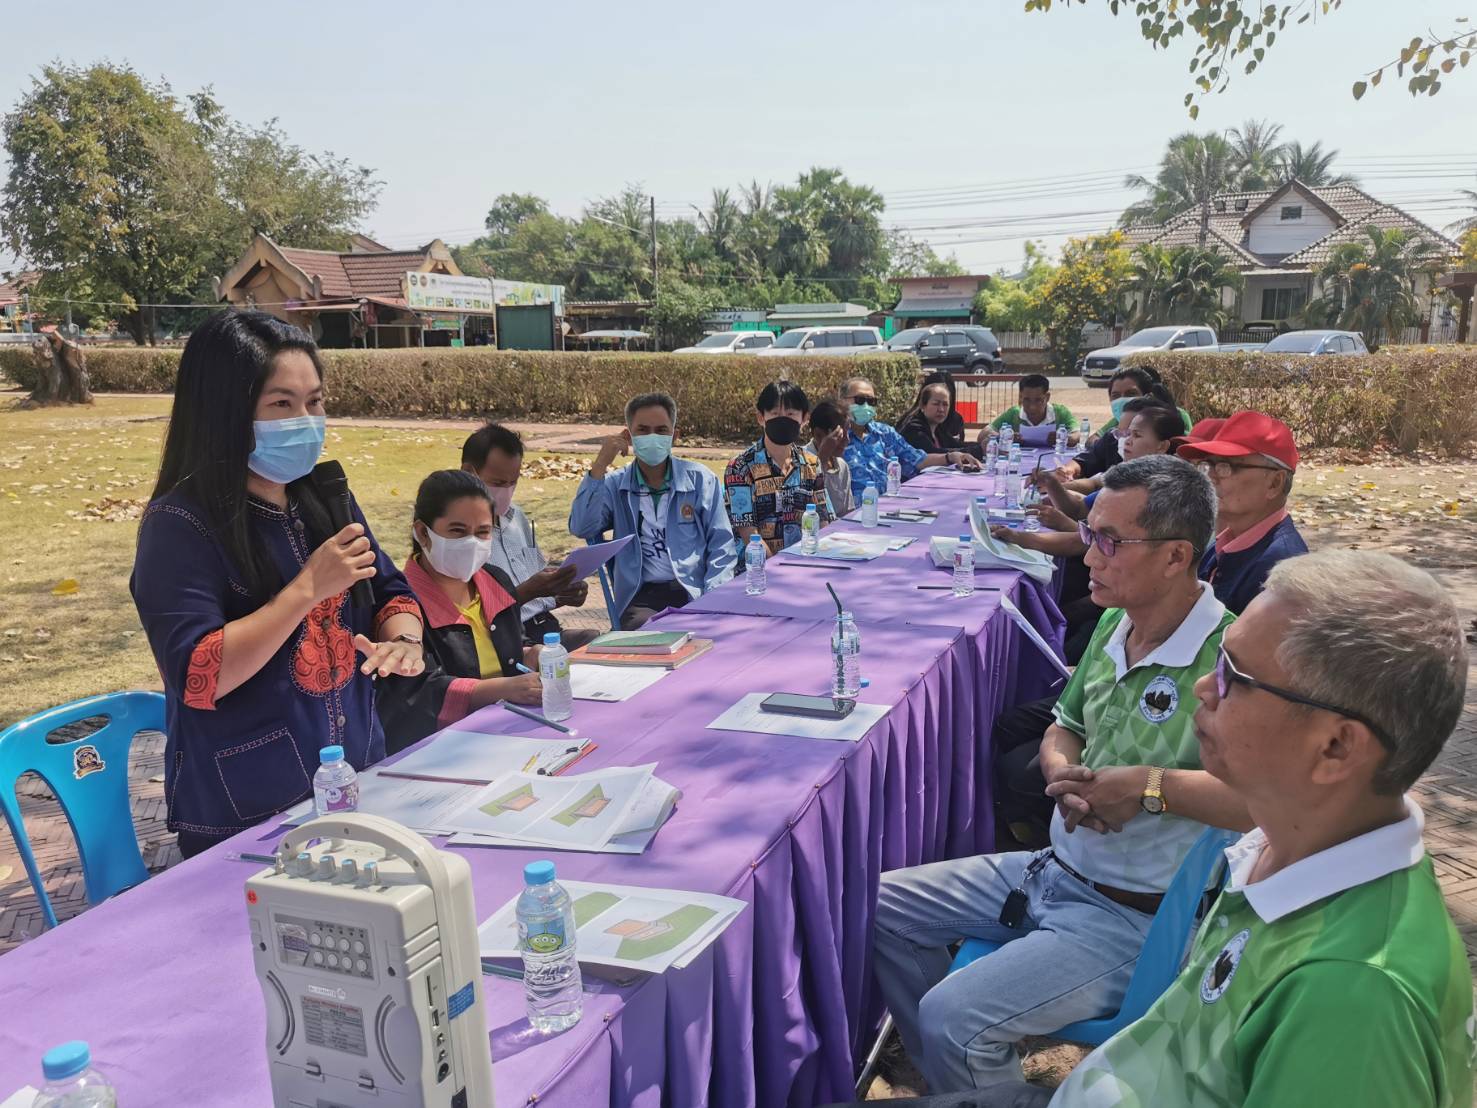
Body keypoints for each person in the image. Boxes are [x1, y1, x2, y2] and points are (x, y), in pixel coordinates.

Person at [873, 455, 1246, 1093]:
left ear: (1176, 556)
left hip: (1130, 915)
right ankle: (959, 1083)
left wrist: (1147, 789)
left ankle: (965, 1068)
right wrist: (1060, 768)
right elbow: (1063, 723)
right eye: (1089, 533)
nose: (1087, 553)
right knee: (881, 905)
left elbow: (1260, 803)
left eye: (1109, 540)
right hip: (1052, 869)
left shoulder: (1230, 662)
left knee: (952, 1017)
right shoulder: (1115, 620)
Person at [1049, 550, 1473, 1108]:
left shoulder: (1351, 996)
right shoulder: (1283, 843)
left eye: (1233, 675)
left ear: (1336, 746)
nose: (1203, 686)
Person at [130, 309, 424, 858]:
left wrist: (402, 641)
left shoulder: (325, 494)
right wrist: (305, 589)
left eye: (314, 401)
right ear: (228, 412)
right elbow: (199, 675)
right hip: (249, 814)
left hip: (357, 778)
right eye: (282, 404)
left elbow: (390, 590)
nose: (306, 420)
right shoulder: (180, 525)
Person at [375, 470, 544, 752]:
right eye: (457, 531)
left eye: (482, 532)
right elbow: (416, 694)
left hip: (508, 732)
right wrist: (503, 689)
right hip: (440, 750)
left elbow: (508, 648)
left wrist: (532, 653)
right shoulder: (400, 606)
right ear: (422, 533)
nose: (472, 543)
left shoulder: (496, 582)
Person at [569, 391, 736, 629]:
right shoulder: (616, 485)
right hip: (641, 598)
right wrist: (599, 466)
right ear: (628, 436)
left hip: (694, 591)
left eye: (661, 431)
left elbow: (722, 546)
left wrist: (713, 596)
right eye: (643, 430)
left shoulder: (700, 480)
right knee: (652, 636)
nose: (652, 437)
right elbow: (581, 526)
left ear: (674, 436)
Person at [460, 421, 597, 650]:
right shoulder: (457, 533)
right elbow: (470, 612)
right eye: (498, 483)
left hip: (545, 629)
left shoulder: (517, 517)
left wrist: (563, 592)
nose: (506, 491)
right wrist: (530, 590)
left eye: (513, 482)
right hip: (502, 642)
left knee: (599, 645)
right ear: (468, 473)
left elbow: (539, 583)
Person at [1175, 411, 1309, 617]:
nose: (1210, 477)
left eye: (1226, 466)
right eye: (1207, 465)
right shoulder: (1221, 546)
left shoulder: (1280, 571)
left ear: (1275, 483)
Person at [725, 381, 835, 554]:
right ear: (761, 417)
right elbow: (748, 533)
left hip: (805, 563)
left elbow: (823, 521)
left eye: (790, 413)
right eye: (775, 413)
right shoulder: (740, 467)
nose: (783, 419)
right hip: (757, 570)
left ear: (805, 418)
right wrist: (779, 568)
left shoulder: (812, 464)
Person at [840, 376, 978, 500]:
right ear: (842, 401)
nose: (866, 406)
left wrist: (950, 457)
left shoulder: (884, 433)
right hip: (853, 516)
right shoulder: (835, 438)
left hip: (889, 508)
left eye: (871, 401)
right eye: (860, 400)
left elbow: (918, 460)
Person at [898, 376, 984, 459]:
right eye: (936, 404)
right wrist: (978, 450)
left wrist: (982, 445)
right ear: (922, 406)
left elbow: (955, 445)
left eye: (945, 404)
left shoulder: (938, 428)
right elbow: (934, 454)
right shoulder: (914, 429)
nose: (941, 409)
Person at [986, 373, 1080, 442]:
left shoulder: (1059, 412)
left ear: (1047, 397)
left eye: (1038, 400)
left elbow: (1078, 434)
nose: (1032, 407)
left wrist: (1063, 438)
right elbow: (984, 433)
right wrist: (1004, 437)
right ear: (1020, 397)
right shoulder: (1014, 413)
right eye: (1027, 400)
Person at [805, 397, 855, 517]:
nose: (847, 440)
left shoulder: (842, 466)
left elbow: (848, 513)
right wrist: (822, 458)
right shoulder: (800, 461)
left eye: (848, 433)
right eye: (841, 435)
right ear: (818, 434)